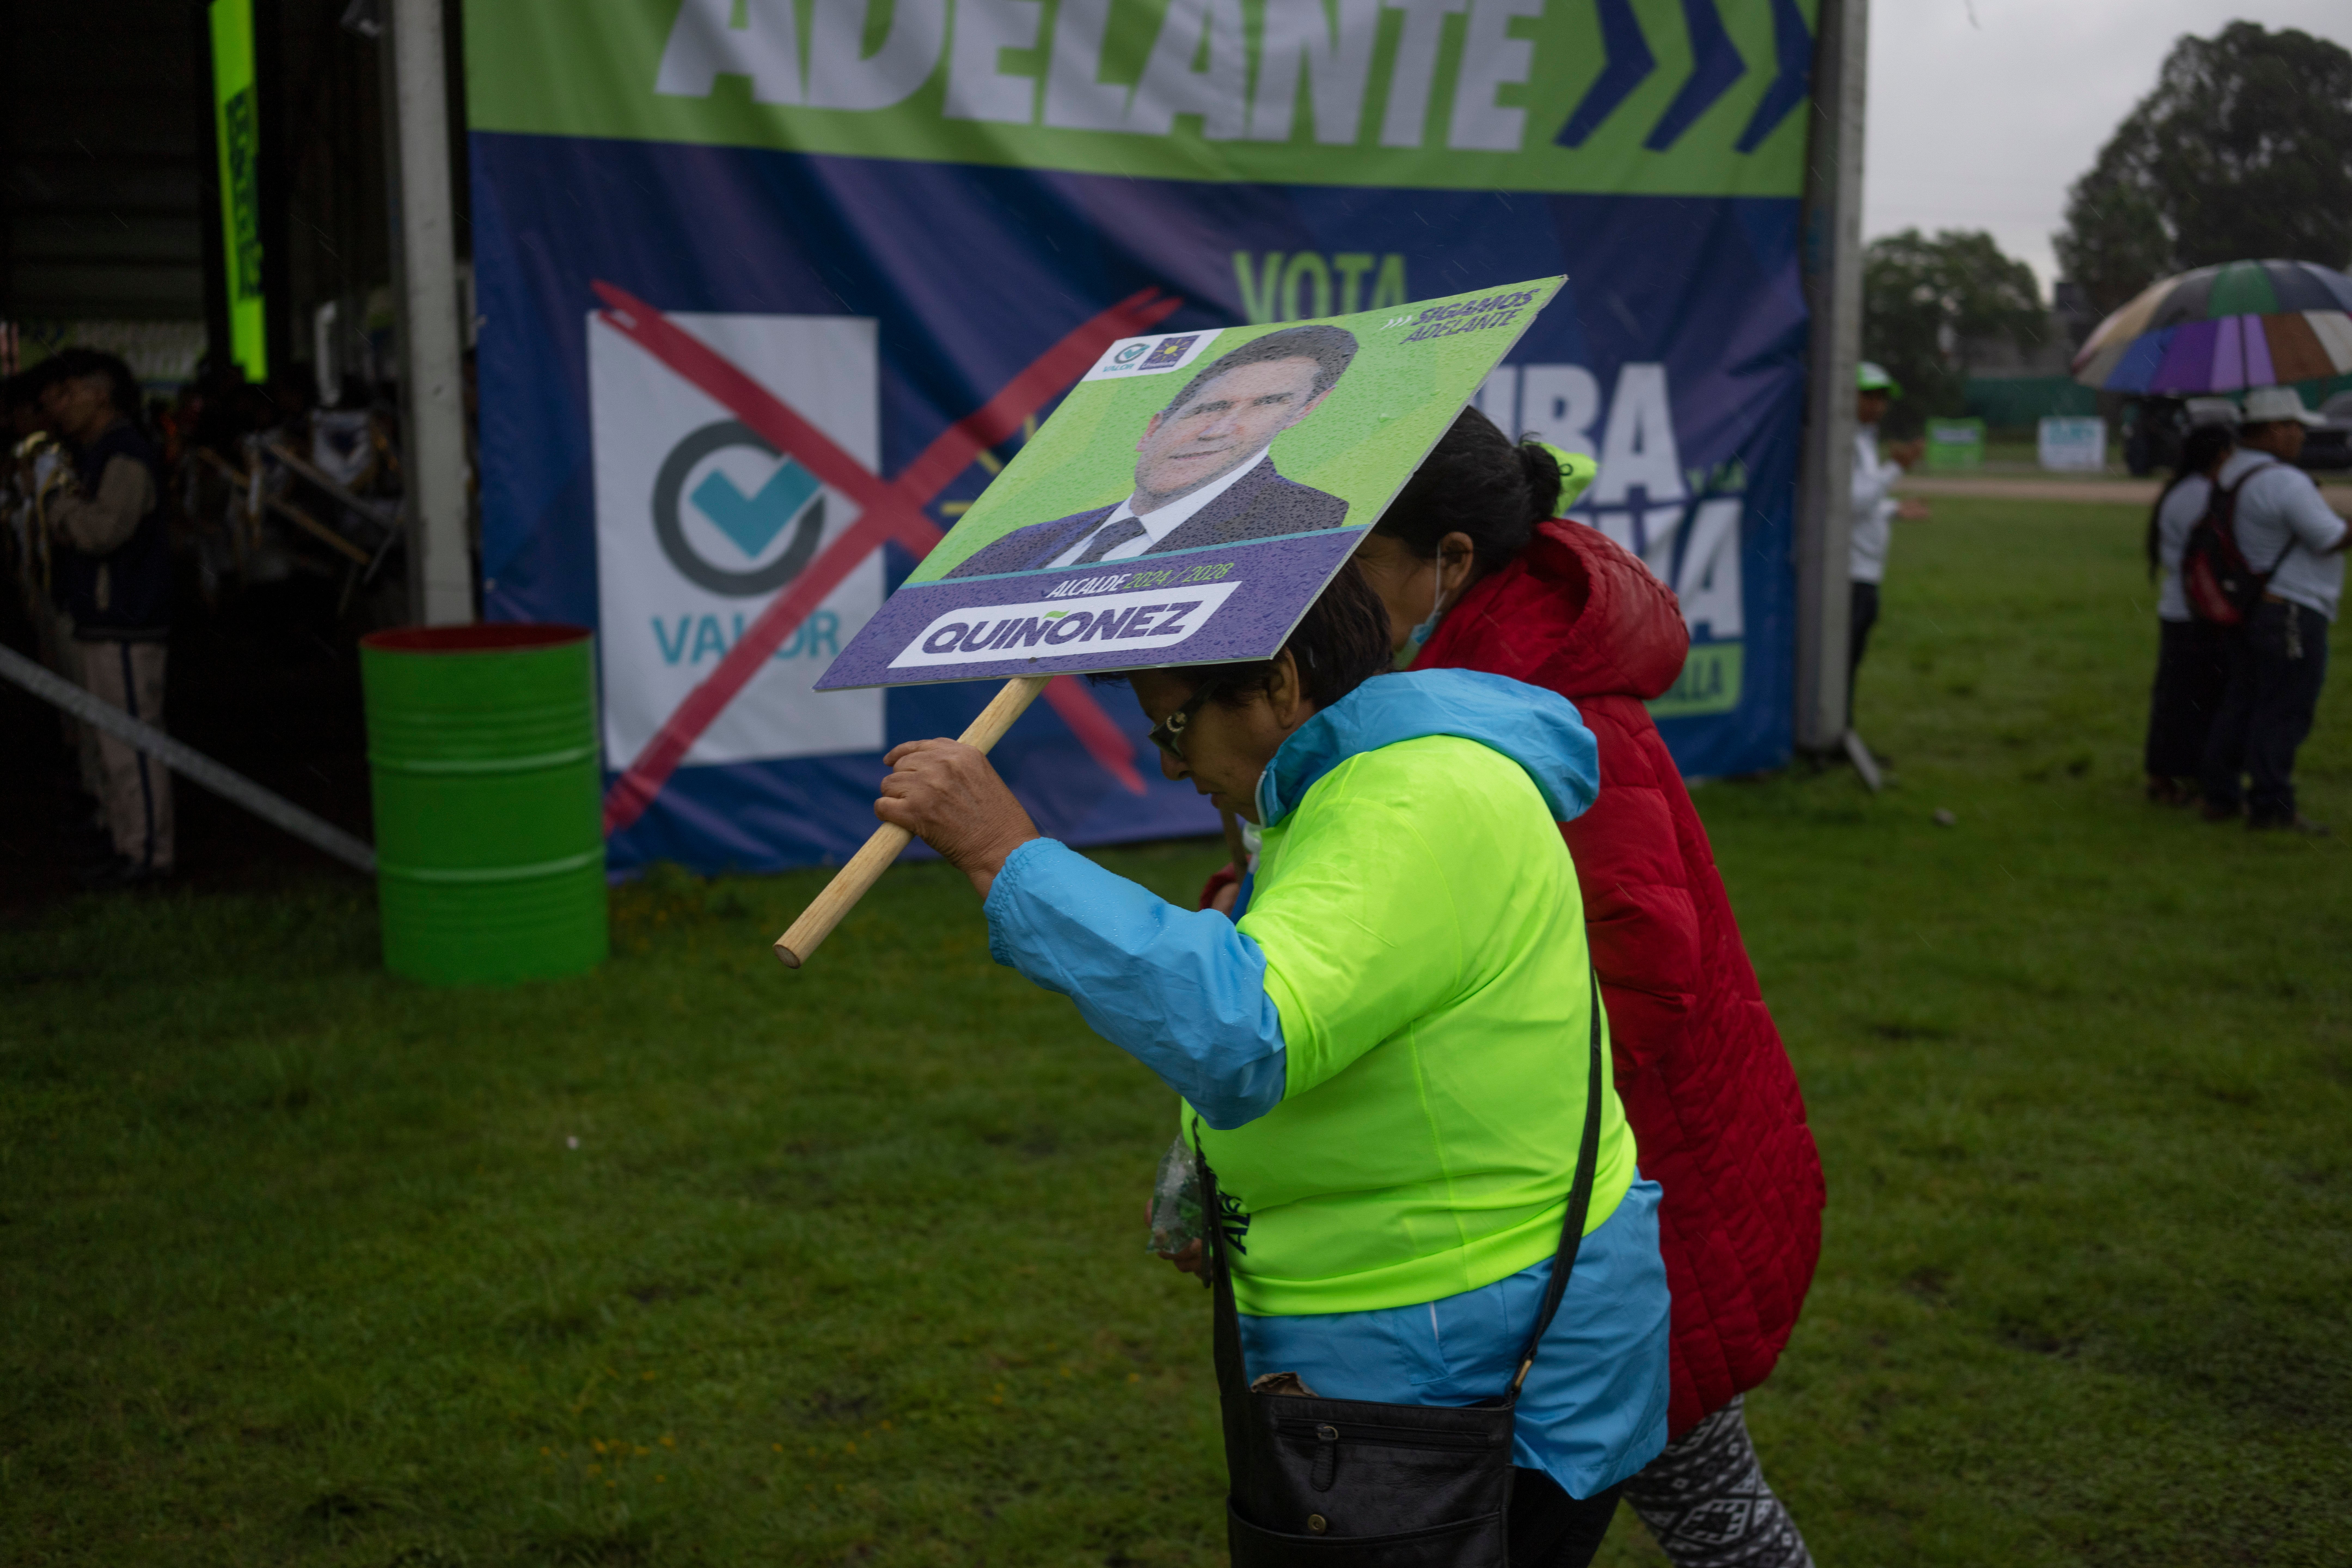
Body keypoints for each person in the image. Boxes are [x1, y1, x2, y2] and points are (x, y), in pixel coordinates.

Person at [875, 565, 1671, 1566]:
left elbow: (1251, 1028)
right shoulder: (1369, 783)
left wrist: (1007, 855)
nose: (1170, 766)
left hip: (1453, 1352)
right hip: (1448, 1327)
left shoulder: (1407, 802)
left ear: (1283, 683)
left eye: (1173, 729)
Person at [1347, 407, 1824, 1568]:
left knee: (1681, 1506)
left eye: (1348, 563)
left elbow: (1642, 978)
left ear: (1449, 561)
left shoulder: (1533, 710)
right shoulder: (1465, 684)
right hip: (1594, 1202)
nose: (1323, 596)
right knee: (1688, 1506)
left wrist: (1421, 1040)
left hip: (1619, 1206)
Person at [945, 325, 1356, 577]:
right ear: (1153, 429)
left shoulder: (1308, 525)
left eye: (1268, 404)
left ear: (1306, 410)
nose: (1216, 431)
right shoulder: (1019, 546)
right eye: (1209, 408)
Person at [39, 349, 175, 884]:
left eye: (70, 394)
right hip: (107, 616)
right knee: (113, 743)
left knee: (132, 744)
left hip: (125, 617)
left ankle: (148, 855)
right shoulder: (101, 452)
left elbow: (104, 531)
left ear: (100, 394)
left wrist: (56, 508)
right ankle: (128, 844)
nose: (61, 407)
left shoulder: (124, 455)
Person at [2197, 385, 2350, 834]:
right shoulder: (2284, 480)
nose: (2301, 437)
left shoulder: (2233, 474)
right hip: (2292, 610)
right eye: (2296, 428)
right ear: (2276, 429)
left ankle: (2221, 794)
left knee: (2242, 703)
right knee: (2285, 710)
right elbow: (2331, 538)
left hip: (2250, 607)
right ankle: (2271, 804)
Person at [2142, 420, 2238, 805]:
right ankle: (2182, 779)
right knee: (2196, 700)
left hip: (2181, 609)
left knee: (2177, 698)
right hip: (2199, 613)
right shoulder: (2203, 496)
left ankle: (2168, 776)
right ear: (2220, 456)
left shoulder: (2181, 491)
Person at [1848, 361, 1929, 717]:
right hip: (1850, 573)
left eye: (1883, 398)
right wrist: (1895, 468)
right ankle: (1834, 734)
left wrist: (1894, 510)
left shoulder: (1862, 441)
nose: (1878, 406)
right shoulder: (1845, 443)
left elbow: (1861, 504)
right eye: (1870, 396)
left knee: (1850, 661)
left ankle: (1840, 730)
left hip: (1865, 570)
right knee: (1843, 663)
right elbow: (1852, 503)